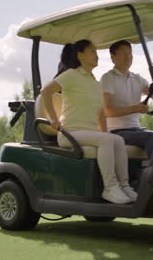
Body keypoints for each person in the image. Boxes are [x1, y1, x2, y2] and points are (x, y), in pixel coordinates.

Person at [40, 39, 137, 204]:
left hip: (88, 134)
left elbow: (100, 114)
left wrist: (106, 133)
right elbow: (45, 92)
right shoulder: (72, 75)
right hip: (70, 133)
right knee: (107, 140)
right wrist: (54, 120)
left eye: (97, 52)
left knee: (118, 140)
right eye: (92, 51)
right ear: (80, 55)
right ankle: (110, 188)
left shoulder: (95, 82)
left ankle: (124, 185)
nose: (97, 55)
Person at [100, 40, 153, 159]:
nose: (128, 56)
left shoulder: (138, 79)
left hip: (136, 129)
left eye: (129, 52)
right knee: (151, 137)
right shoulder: (108, 78)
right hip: (116, 130)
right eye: (122, 53)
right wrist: (135, 109)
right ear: (113, 57)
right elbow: (107, 111)